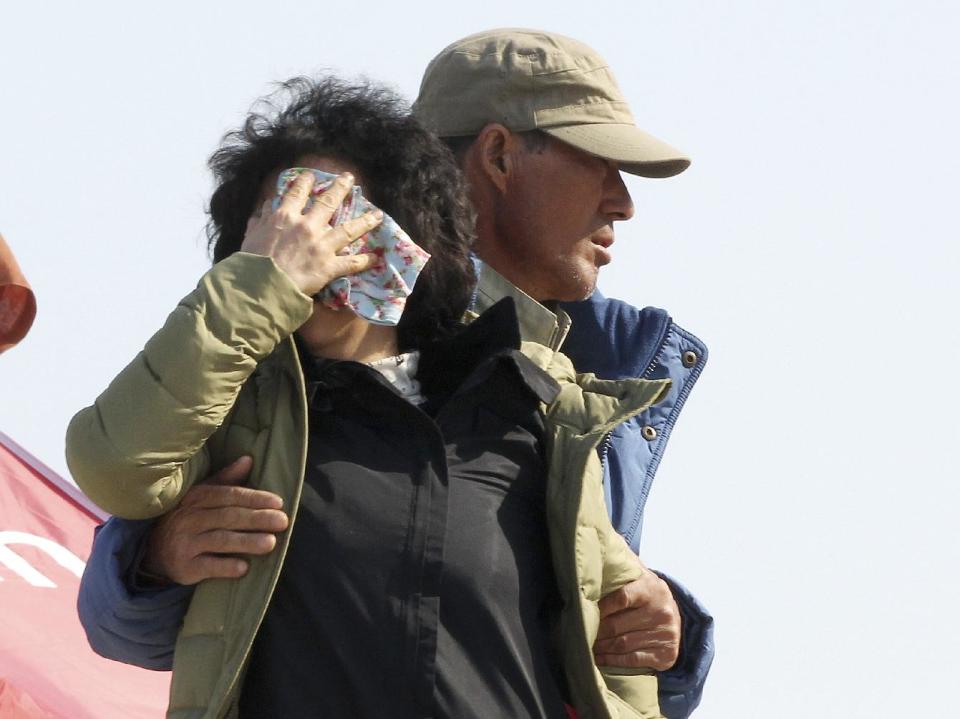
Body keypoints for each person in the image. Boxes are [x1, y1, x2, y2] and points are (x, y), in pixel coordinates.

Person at [78, 29, 714, 718]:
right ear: (499, 154)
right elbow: (111, 600)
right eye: (599, 163)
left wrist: (668, 632)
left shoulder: (576, 381)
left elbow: (596, 625)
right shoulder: (264, 349)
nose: (622, 202)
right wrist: (157, 557)